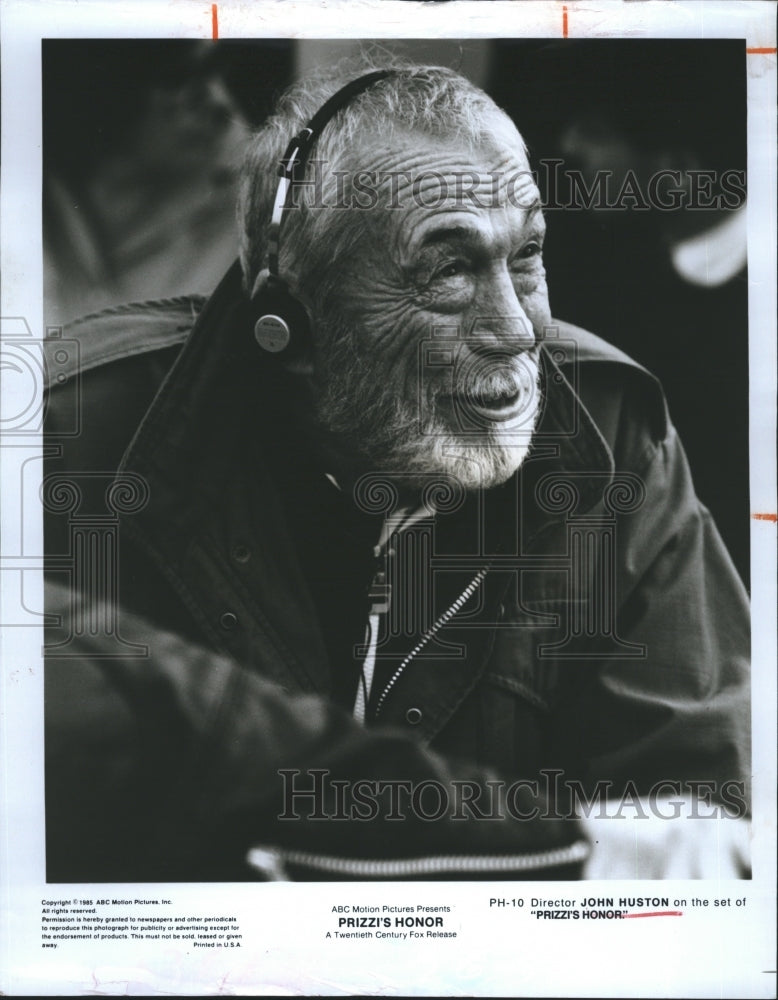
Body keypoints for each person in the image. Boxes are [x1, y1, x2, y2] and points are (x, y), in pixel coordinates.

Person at [43, 62, 750, 882]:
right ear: (288, 323)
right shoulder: (72, 442)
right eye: (449, 270)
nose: (518, 331)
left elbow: (700, 829)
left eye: (526, 257)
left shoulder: (608, 436)